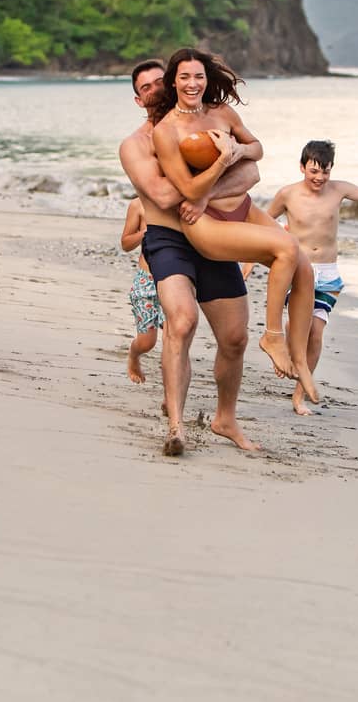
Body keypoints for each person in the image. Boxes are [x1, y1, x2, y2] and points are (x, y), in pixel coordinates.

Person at [148, 47, 318, 403]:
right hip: (204, 224)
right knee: (285, 247)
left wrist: (237, 152)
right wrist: (222, 160)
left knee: (302, 264)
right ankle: (272, 334)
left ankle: (299, 358)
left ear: (206, 79)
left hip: (238, 207)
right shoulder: (166, 132)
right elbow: (190, 190)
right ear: (173, 82)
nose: (192, 83)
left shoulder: (221, 112)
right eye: (184, 77)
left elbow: (256, 149)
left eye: (198, 76)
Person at [118, 58, 266, 456]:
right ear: (138, 98)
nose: (154, 91)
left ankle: (225, 418)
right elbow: (164, 197)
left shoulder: (197, 128)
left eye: (157, 84)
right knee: (181, 322)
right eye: (145, 88)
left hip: (212, 233)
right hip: (168, 238)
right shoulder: (136, 145)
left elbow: (252, 170)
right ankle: (176, 427)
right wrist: (216, 177)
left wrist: (208, 193)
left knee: (235, 337)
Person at [267, 140, 358, 414]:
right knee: (298, 329)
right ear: (302, 167)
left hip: (327, 274)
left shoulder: (338, 189)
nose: (319, 178)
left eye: (325, 172)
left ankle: (299, 395)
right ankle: (289, 347)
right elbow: (264, 222)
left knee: (315, 334)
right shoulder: (287, 194)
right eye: (314, 171)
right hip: (298, 272)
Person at [120, 198, 163, 383]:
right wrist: (146, 233)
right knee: (147, 342)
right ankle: (134, 355)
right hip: (146, 280)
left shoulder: (182, 202)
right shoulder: (138, 205)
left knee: (175, 338)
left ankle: (171, 394)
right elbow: (126, 243)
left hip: (176, 280)